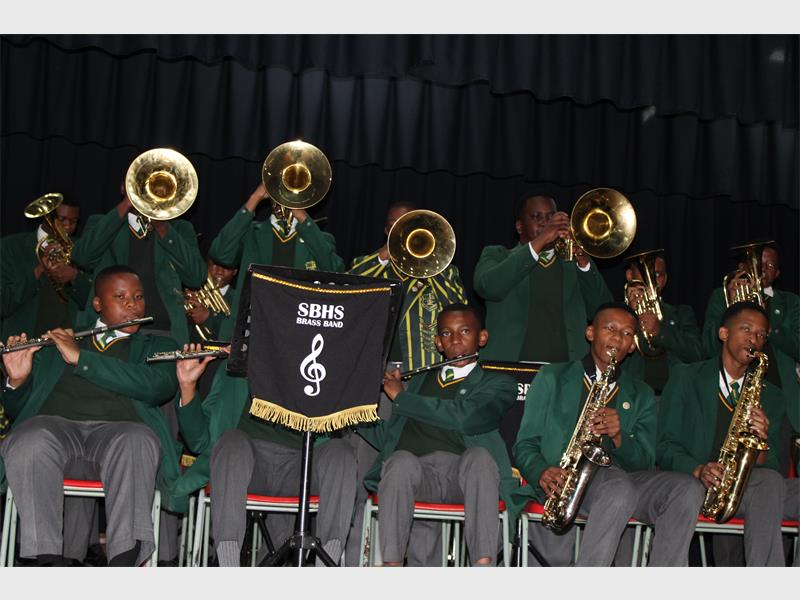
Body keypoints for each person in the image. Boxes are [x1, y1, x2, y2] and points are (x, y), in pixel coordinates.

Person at [0, 266, 182, 566]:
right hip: (57, 430)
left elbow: (157, 388)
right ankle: (45, 560)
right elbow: (22, 411)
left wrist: (81, 359)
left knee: (137, 440)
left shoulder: (158, 346)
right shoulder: (60, 341)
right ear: (97, 304)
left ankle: (124, 557)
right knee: (28, 439)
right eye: (120, 296)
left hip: (119, 434)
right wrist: (17, 381)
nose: (132, 304)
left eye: (137, 297)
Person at [344, 201, 467, 565]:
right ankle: (353, 563)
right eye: (396, 227)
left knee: (418, 468)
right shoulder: (372, 266)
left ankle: (420, 569)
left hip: (416, 386)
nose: (403, 235)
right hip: (371, 384)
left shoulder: (441, 273)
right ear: (386, 232)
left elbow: (458, 308)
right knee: (358, 468)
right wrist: (387, 255)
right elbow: (350, 282)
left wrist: (430, 266)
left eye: (411, 228)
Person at [358, 303, 517, 566]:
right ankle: (392, 566)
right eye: (446, 333)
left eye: (465, 331)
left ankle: (483, 565)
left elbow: (464, 418)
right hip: (419, 476)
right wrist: (353, 416)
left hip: (465, 480)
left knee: (479, 457)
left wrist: (402, 398)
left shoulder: (498, 383)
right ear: (438, 343)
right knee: (398, 461)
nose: (455, 339)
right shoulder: (420, 381)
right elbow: (391, 437)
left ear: (482, 337)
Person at [173, 347, 358, 567]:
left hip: (302, 469)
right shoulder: (238, 367)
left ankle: (326, 564)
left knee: (341, 453)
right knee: (231, 440)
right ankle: (228, 567)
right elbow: (199, 442)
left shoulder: (320, 367)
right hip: (247, 464)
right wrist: (187, 386)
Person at [513, 302, 656, 566]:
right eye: (610, 328)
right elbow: (524, 445)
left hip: (609, 489)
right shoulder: (552, 377)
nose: (617, 338)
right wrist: (542, 471)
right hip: (556, 486)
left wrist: (618, 437)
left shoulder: (643, 394)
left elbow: (646, 462)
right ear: (590, 333)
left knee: (620, 487)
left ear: (633, 346)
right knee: (549, 565)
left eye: (626, 333)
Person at [658, 301, 786, 566]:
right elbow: (664, 444)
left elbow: (772, 465)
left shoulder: (771, 395)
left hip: (746, 487)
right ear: (723, 333)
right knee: (768, 491)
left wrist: (762, 440)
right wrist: (698, 469)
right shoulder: (685, 377)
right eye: (747, 329)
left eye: (762, 335)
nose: (755, 339)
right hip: (694, 483)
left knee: (771, 483)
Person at [474, 193, 612, 363]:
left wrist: (583, 260)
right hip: (509, 371)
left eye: (550, 217)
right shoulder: (497, 255)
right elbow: (487, 287)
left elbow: (602, 312)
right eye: (536, 217)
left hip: (565, 373)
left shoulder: (573, 263)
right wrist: (541, 239)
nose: (545, 223)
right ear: (519, 226)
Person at [208, 182, 344, 340]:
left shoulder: (319, 238)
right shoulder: (251, 232)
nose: (285, 197)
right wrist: (255, 198)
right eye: (279, 191)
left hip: (297, 329)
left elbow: (336, 271)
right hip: (254, 326)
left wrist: (302, 216)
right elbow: (220, 253)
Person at [76, 182, 207, 345]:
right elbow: (82, 258)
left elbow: (196, 277)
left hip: (164, 332)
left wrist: (163, 227)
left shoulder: (180, 229)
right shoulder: (101, 223)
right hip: (111, 330)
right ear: (123, 188)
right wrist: (126, 204)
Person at [1, 197, 94, 340]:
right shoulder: (10, 247)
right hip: (22, 342)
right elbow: (4, 302)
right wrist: (38, 271)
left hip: (68, 342)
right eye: (62, 219)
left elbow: (93, 301)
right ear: (46, 217)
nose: (68, 226)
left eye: (74, 221)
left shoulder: (81, 249)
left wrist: (74, 276)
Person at [622, 252, 704, 395]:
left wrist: (660, 331)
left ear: (665, 280)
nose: (651, 281)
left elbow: (697, 354)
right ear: (630, 276)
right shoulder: (619, 313)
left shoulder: (681, 313)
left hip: (674, 395)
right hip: (632, 396)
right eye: (644, 274)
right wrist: (630, 313)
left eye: (657, 275)